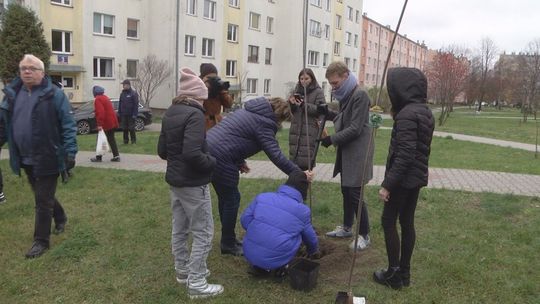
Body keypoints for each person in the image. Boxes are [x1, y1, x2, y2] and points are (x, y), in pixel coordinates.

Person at [0, 54, 77, 258]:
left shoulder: (53, 94)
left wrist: (70, 152)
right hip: (25, 157)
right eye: (23, 68)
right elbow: (4, 123)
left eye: (32, 68)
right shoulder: (12, 93)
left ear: (42, 73)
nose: (27, 71)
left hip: (48, 155)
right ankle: (60, 216)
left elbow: (68, 124)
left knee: (42, 201)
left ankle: (41, 241)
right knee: (41, 194)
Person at [207, 96, 304, 256]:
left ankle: (228, 239)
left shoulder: (247, 111)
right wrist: (298, 174)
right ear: (279, 117)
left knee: (226, 198)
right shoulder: (265, 123)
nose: (280, 125)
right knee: (232, 199)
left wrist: (239, 162)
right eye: (282, 121)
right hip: (220, 157)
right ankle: (228, 243)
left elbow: (234, 138)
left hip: (209, 151)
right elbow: (276, 155)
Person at [157, 67, 223, 299]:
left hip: (176, 182)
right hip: (194, 183)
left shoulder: (171, 112)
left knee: (180, 228)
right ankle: (196, 282)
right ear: (196, 95)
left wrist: (178, 162)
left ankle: (183, 271)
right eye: (203, 96)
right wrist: (213, 162)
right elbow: (193, 154)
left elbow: (162, 150)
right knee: (204, 232)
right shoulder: (195, 114)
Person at [373, 67, 434, 289]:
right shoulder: (424, 111)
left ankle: (394, 274)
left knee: (388, 221)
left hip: (403, 179)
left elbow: (406, 154)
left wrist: (388, 184)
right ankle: (404, 274)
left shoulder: (407, 114)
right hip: (416, 178)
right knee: (407, 222)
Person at [320, 61, 374, 251]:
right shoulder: (346, 94)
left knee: (355, 193)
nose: (334, 87)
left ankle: (364, 235)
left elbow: (355, 128)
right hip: (347, 150)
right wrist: (328, 113)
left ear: (345, 75)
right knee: (346, 190)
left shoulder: (360, 95)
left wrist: (331, 139)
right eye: (331, 84)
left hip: (358, 151)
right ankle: (347, 228)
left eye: (335, 83)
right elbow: (344, 118)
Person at [241, 170, 319, 274]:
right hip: (278, 256)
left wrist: (258, 230)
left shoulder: (263, 197)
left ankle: (259, 266)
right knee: (298, 234)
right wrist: (312, 251)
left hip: (249, 252)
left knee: (263, 229)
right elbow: (310, 238)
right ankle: (282, 266)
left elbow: (244, 220)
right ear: (303, 190)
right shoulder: (302, 211)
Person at [288, 68, 326, 170]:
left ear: (312, 79)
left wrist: (303, 105)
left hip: (309, 130)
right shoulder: (296, 90)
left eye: (306, 78)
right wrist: (291, 104)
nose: (303, 81)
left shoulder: (318, 92)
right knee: (294, 163)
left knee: (306, 162)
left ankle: (306, 182)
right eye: (301, 79)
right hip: (296, 129)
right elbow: (292, 112)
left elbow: (321, 110)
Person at [199, 63, 233, 130]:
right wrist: (204, 87)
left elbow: (229, 104)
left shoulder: (218, 88)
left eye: (214, 77)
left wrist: (223, 91)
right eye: (210, 78)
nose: (213, 80)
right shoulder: (198, 86)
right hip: (203, 124)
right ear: (204, 77)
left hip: (217, 124)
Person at [90, 86, 120, 162]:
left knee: (99, 139)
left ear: (95, 92)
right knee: (111, 139)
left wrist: (99, 124)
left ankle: (98, 157)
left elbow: (101, 112)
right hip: (112, 122)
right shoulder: (105, 97)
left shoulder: (98, 99)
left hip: (106, 123)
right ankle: (116, 156)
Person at [118, 79, 139, 144]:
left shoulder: (133, 93)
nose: (123, 86)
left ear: (128, 85)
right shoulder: (122, 94)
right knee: (124, 128)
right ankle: (125, 141)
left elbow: (136, 104)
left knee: (131, 128)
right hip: (124, 114)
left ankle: (133, 141)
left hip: (131, 115)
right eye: (123, 85)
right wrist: (119, 113)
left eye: (124, 85)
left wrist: (135, 114)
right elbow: (120, 103)